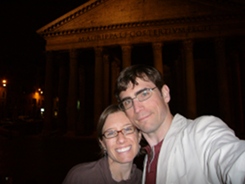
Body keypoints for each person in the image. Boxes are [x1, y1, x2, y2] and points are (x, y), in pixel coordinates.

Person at [115, 64, 245, 184]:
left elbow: (235, 160)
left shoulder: (201, 131)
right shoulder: (146, 158)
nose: (137, 108)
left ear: (165, 93)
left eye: (144, 93)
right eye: (127, 102)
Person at [62, 104, 142, 184]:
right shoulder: (80, 178)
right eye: (111, 133)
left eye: (128, 129)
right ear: (103, 143)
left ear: (139, 136)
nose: (121, 139)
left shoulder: (146, 179)